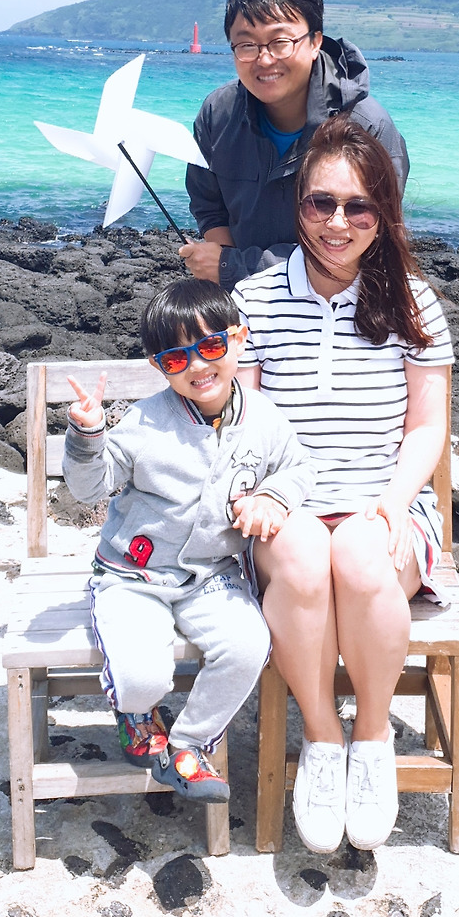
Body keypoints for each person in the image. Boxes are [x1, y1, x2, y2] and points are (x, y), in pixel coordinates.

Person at [233, 118, 452, 852]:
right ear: (297, 205)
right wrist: (259, 493)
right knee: (302, 558)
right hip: (286, 507)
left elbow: (426, 427)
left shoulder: (414, 301)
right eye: (320, 202)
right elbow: (242, 422)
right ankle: (323, 738)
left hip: (385, 505)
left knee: (359, 554)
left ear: (383, 212)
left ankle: (373, 738)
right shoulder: (256, 299)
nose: (337, 222)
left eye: (358, 206)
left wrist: (391, 506)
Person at [62, 278, 314, 801]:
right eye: (177, 358)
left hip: (213, 576)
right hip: (132, 577)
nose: (198, 365)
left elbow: (297, 468)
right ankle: (136, 712)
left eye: (211, 346)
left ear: (239, 339)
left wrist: (272, 497)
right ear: (159, 367)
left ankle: (189, 743)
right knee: (140, 679)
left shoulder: (264, 418)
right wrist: (89, 435)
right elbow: (90, 488)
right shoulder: (144, 422)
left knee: (248, 647)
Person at [181, 0, 409, 290]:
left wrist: (235, 267)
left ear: (315, 42)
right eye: (247, 45)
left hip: (339, 302)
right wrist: (232, 274)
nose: (264, 59)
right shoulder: (218, 114)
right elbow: (208, 203)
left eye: (280, 42)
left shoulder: (367, 128)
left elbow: (365, 242)